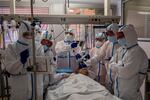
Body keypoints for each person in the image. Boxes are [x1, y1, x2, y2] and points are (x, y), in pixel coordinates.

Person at [3, 20, 44, 100]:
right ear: (21, 33)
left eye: (31, 34)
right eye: (26, 34)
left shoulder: (38, 47)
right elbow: (9, 68)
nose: (29, 36)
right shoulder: (12, 47)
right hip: (20, 85)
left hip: (36, 84)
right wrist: (20, 61)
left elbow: (42, 65)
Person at [109, 24, 148, 100]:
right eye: (118, 37)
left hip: (130, 94)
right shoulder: (121, 49)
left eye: (121, 36)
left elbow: (126, 72)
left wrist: (116, 65)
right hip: (118, 91)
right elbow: (110, 63)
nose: (118, 39)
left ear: (129, 36)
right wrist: (119, 66)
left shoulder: (137, 52)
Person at [82, 23, 120, 89]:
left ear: (116, 32)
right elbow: (98, 56)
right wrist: (86, 63)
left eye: (111, 34)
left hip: (118, 76)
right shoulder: (107, 44)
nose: (109, 36)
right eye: (107, 34)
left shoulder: (121, 45)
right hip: (108, 76)